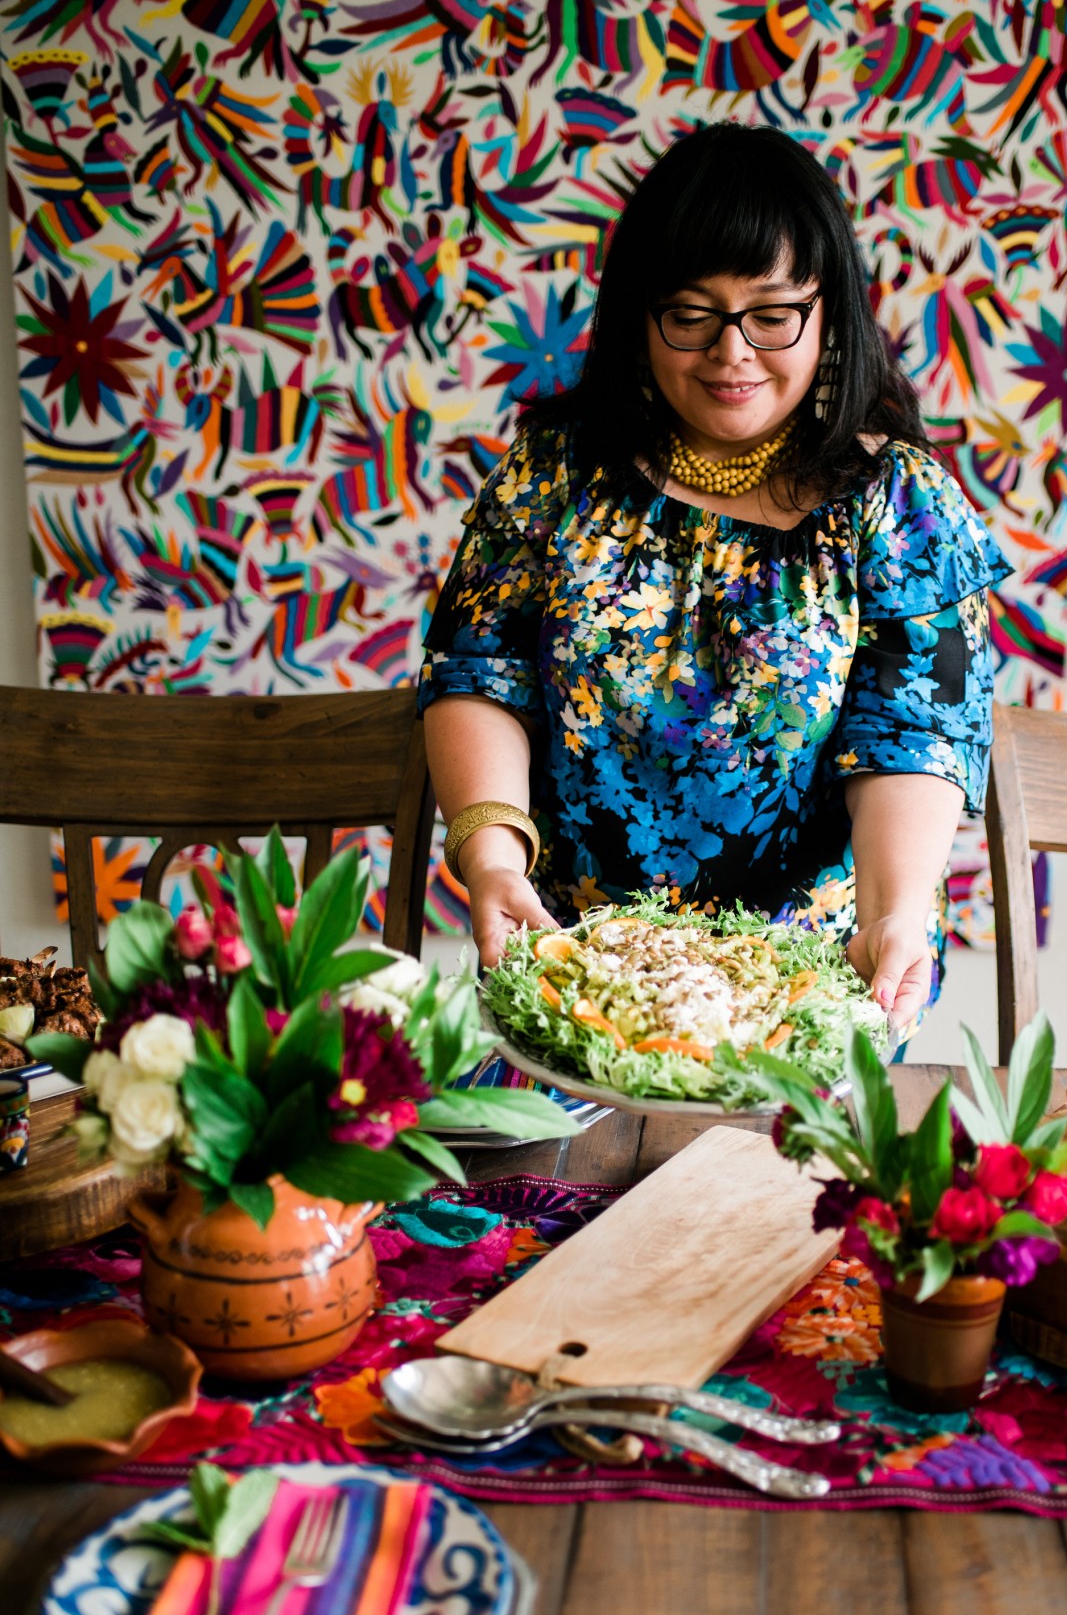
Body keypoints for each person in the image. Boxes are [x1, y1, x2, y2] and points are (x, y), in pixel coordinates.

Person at [418, 122, 1009, 1035]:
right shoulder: (551, 477)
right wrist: (490, 860)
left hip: (812, 991)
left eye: (771, 315)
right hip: (575, 977)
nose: (731, 352)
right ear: (638, 316)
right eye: (690, 314)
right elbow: (477, 677)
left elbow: (914, 737)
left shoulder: (897, 500)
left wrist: (897, 915)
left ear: (828, 313)